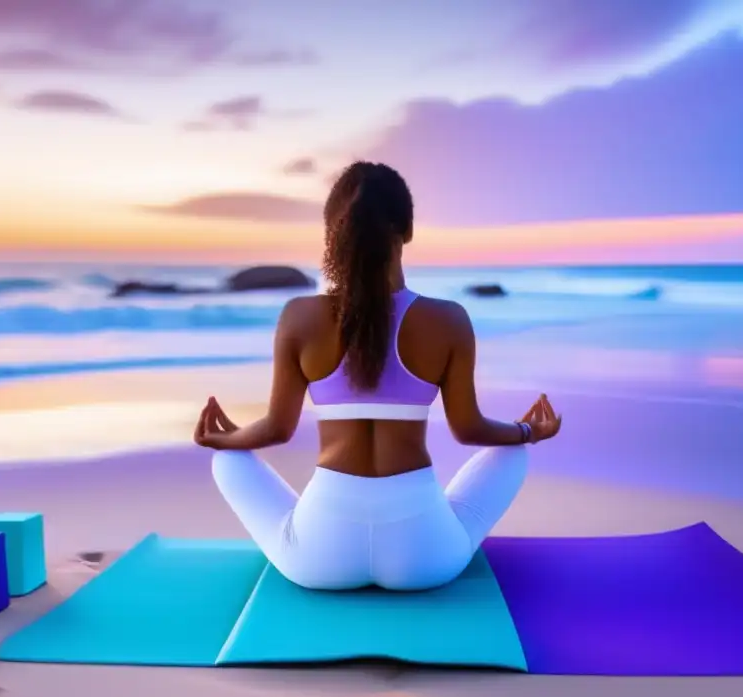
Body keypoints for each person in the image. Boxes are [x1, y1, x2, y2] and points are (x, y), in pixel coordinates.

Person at [193, 161, 562, 591]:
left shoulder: (299, 317)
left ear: (333, 231)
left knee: (228, 461)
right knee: (514, 452)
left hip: (319, 560)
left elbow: (277, 429)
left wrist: (227, 439)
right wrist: (527, 431)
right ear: (406, 231)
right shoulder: (448, 320)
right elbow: (468, 429)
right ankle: (449, 517)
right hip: (425, 560)